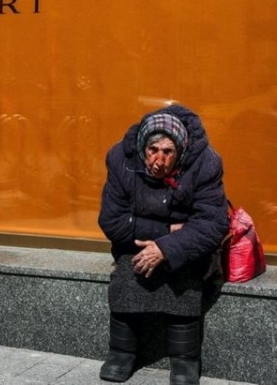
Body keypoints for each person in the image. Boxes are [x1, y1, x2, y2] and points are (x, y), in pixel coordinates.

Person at [97, 104, 229, 385]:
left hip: (185, 246)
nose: (159, 161)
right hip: (137, 241)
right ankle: (121, 353)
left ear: (179, 150)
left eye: (167, 153)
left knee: (184, 281)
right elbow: (111, 220)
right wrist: (164, 231)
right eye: (152, 151)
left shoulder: (205, 162)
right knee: (126, 274)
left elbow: (212, 224)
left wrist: (167, 248)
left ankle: (185, 360)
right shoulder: (120, 157)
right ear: (143, 146)